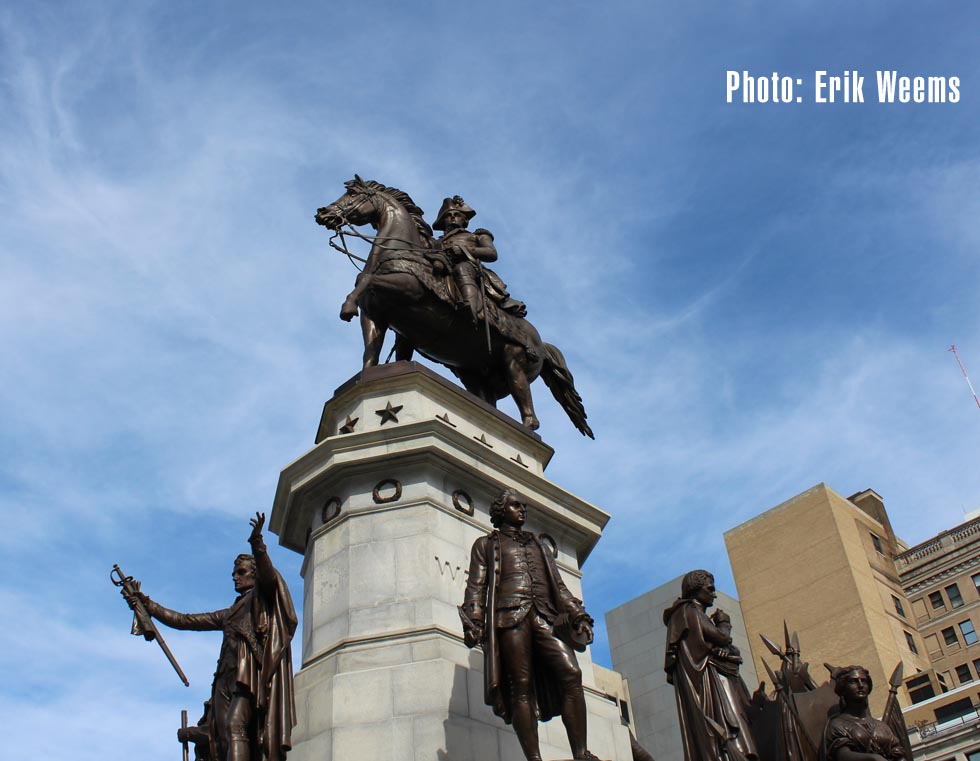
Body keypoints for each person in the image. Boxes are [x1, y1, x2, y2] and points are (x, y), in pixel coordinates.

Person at [129, 513, 297, 761]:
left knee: (235, 726)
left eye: (240, 572)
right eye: (234, 572)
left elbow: (269, 575)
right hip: (223, 681)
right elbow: (185, 620)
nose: (235, 576)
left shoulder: (260, 598)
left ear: (253, 575)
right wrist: (147, 605)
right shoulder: (229, 613)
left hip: (246, 678)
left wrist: (257, 544)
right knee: (223, 738)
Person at [460, 489, 597, 761]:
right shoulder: (486, 545)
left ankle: (580, 753)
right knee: (519, 686)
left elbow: (559, 587)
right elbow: (476, 586)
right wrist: (474, 620)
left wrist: (578, 614)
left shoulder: (539, 546)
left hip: (545, 616)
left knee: (571, 673)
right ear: (501, 511)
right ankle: (533, 757)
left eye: (523, 506)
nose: (522, 510)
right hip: (509, 617)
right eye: (515, 505)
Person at [663, 570, 759, 761]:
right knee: (732, 728)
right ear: (695, 589)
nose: (714, 594)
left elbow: (717, 646)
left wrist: (722, 649)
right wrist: (724, 623)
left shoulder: (684, 614)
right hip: (711, 686)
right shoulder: (690, 611)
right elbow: (722, 638)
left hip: (709, 681)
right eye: (710, 589)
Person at [432, 195, 526, 327]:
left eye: (457, 214)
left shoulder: (477, 235)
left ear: (464, 220)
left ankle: (469, 310)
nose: (453, 217)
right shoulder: (436, 242)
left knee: (461, 269)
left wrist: (464, 250)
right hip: (443, 265)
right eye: (449, 215)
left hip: (470, 267)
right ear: (443, 221)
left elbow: (491, 253)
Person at [822, 666, 907, 761]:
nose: (860, 685)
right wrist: (872, 758)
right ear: (843, 688)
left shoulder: (882, 726)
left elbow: (899, 754)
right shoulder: (837, 724)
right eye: (853, 681)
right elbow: (843, 755)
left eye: (864, 681)